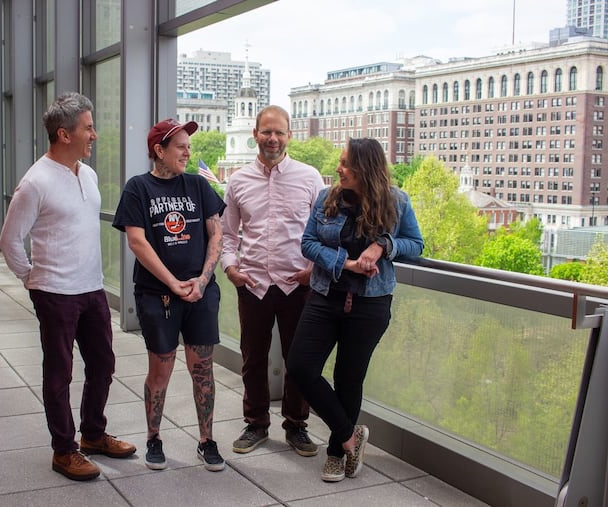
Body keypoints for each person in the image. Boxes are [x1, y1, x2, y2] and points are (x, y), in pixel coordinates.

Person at [0, 92, 136, 482]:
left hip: (91, 289)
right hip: (55, 293)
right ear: (64, 134)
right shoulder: (35, 182)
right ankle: (64, 449)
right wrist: (32, 278)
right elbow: (10, 239)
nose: (94, 135)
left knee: (104, 364)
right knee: (59, 374)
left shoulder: (87, 174)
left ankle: (93, 434)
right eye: (88, 128)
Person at [286, 137, 424, 483]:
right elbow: (308, 243)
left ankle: (336, 453)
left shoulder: (397, 201)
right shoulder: (326, 198)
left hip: (370, 305)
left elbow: (416, 244)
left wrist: (383, 245)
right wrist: (346, 264)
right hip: (324, 296)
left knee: (349, 378)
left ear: (365, 168)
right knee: (301, 366)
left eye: (345, 163)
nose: (338, 167)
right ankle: (351, 436)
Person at [112, 118, 226, 472]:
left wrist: (203, 280)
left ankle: (206, 440)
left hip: (200, 293)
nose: (187, 152)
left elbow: (216, 235)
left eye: (189, 147)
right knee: (160, 370)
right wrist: (172, 283)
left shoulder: (197, 186)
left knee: (202, 369)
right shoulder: (138, 188)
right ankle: (154, 437)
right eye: (180, 146)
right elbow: (137, 241)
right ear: (159, 150)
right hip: (156, 296)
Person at [220, 105, 325, 456]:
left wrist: (315, 269)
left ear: (290, 135)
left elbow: (323, 233)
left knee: (300, 360)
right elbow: (227, 235)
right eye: (266, 132)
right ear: (255, 134)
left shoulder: (311, 178)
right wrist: (230, 269)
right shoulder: (237, 181)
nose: (273, 138)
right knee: (253, 357)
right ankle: (256, 424)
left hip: (299, 283)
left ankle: (296, 425)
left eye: (279, 132)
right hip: (253, 284)